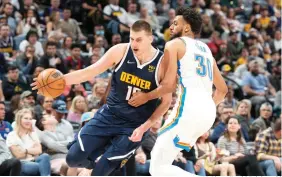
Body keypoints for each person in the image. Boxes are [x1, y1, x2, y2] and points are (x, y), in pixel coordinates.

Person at [31, 20, 172, 176]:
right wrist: (59, 80)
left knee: (100, 172)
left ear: (150, 38)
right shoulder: (120, 51)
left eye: (139, 39)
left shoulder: (163, 64)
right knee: (72, 159)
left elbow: (165, 103)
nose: (134, 43)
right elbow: (89, 72)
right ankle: (99, 152)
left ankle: (106, 156)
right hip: (109, 115)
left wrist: (144, 127)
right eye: (131, 38)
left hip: (134, 125)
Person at [128, 7, 228, 176]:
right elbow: (223, 90)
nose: (171, 27)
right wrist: (204, 108)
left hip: (188, 107)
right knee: (166, 163)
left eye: (175, 23)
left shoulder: (173, 44)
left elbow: (168, 85)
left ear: (187, 27)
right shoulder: (205, 49)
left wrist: (145, 96)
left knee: (157, 167)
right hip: (209, 111)